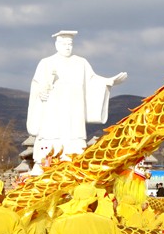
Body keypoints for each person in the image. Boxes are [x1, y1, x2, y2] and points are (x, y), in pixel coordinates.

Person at [27, 30, 127, 170]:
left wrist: (109, 81)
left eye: (70, 44)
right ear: (57, 45)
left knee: (73, 149)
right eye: (64, 44)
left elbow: (93, 81)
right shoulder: (46, 63)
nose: (68, 47)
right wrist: (41, 93)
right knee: (50, 146)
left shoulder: (81, 63)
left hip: (74, 115)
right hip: (53, 115)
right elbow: (37, 86)